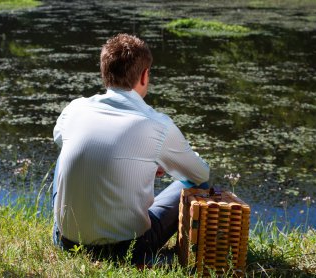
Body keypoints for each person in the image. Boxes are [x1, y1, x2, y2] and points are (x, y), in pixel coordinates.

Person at [52, 33, 210, 264]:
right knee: (198, 183)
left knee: (66, 152)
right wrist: (157, 160)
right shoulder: (158, 125)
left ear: (104, 73)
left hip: (66, 240)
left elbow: (61, 139)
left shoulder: (75, 109)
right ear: (145, 76)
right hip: (128, 249)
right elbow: (201, 174)